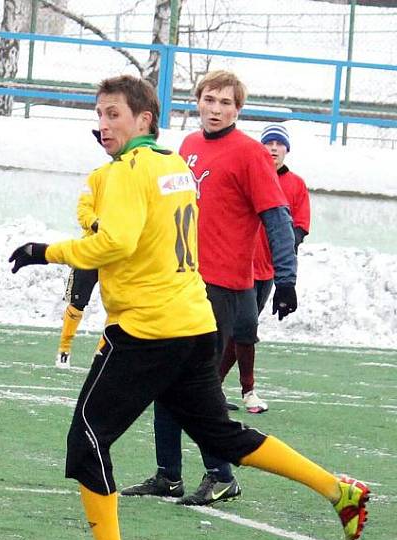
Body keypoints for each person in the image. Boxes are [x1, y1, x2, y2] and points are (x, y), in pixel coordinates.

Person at [8, 74, 369, 540]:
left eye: (113, 114)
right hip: (194, 322)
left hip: (150, 330)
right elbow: (146, 229)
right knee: (221, 436)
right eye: (99, 114)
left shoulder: (131, 170)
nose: (103, 123)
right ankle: (338, 490)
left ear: (143, 119)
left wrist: (47, 251)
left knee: (87, 436)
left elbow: (114, 241)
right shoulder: (174, 163)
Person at [122, 69, 299, 505]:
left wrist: (286, 278)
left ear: (238, 109)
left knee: (196, 387)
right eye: (209, 99)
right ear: (197, 100)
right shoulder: (187, 147)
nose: (216, 109)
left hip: (223, 289)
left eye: (226, 103)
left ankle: (222, 474)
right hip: (182, 284)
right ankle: (169, 475)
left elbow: (277, 218)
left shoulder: (251, 154)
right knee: (165, 380)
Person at [218, 123, 311, 413]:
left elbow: (300, 226)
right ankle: (244, 391)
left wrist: (283, 245)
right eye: (268, 143)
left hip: (266, 272)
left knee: (240, 331)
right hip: (237, 267)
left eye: (278, 144)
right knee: (238, 329)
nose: (272, 148)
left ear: (286, 149)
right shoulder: (249, 174)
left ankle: (214, 387)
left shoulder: (295, 184)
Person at [55, 132, 104, 369]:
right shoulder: (97, 176)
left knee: (120, 306)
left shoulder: (135, 177)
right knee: (77, 300)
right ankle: (64, 349)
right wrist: (97, 225)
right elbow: (83, 210)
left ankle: (102, 352)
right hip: (91, 249)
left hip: (119, 253)